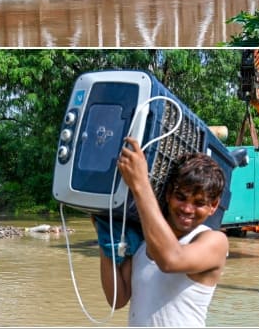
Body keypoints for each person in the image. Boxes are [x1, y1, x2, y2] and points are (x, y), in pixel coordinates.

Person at [96, 138, 229, 327]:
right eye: (180, 198)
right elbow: (117, 299)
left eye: (199, 203)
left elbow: (171, 260)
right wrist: (105, 240)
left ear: (213, 206)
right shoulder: (145, 240)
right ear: (168, 195)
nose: (188, 209)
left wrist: (141, 184)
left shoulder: (214, 241)